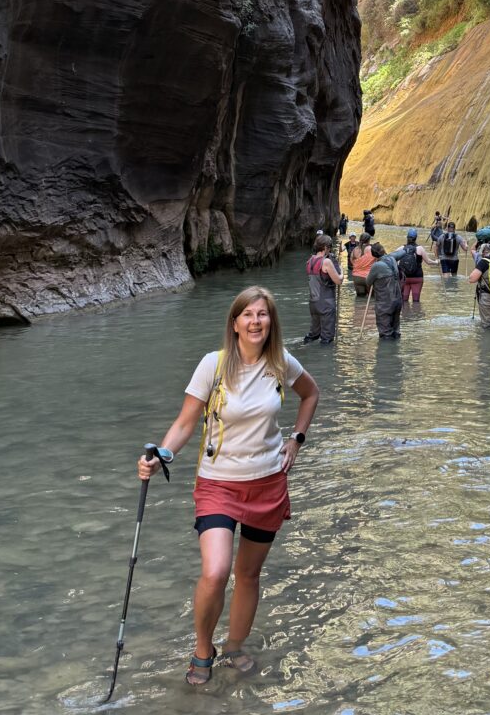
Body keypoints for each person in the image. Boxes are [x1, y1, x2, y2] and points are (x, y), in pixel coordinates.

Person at [137, 286, 319, 684]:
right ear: (234, 323)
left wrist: (296, 440)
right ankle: (203, 648)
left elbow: (310, 394)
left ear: (272, 322)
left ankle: (235, 645)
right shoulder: (213, 366)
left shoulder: (281, 363)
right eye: (248, 315)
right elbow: (186, 422)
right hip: (219, 483)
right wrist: (161, 454)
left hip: (268, 483)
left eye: (263, 314)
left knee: (248, 575)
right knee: (216, 571)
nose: (256, 321)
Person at [303, 232, 342, 344]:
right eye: (329, 248)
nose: (329, 250)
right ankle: (325, 359)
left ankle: (305, 348)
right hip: (326, 304)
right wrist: (341, 271)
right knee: (327, 338)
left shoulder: (309, 261)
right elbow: (338, 280)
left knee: (314, 334)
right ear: (325, 247)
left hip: (313, 303)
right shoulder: (327, 262)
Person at [365, 240, 403, 339]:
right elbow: (403, 252)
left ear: (374, 255)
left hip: (384, 304)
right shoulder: (393, 259)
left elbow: (367, 282)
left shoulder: (376, 266)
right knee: (396, 331)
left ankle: (385, 353)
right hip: (397, 301)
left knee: (385, 334)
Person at [397, 228, 438, 303]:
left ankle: (405, 314)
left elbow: (392, 260)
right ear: (416, 238)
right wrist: (436, 262)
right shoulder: (420, 249)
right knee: (416, 301)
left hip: (404, 278)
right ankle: (416, 313)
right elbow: (428, 262)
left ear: (407, 237)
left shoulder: (401, 248)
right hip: (417, 277)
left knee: (404, 301)